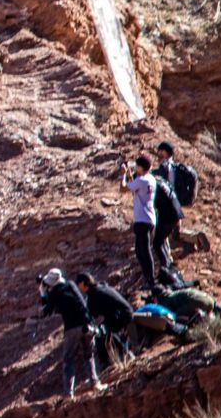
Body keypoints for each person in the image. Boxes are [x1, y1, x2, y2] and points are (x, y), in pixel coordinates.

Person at [39, 268, 104, 397]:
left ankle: (69, 393)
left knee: (68, 360)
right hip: (87, 324)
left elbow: (46, 311)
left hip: (71, 328)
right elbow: (79, 303)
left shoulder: (54, 293)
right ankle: (95, 383)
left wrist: (43, 293)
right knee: (89, 355)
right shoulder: (71, 285)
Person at [76, 271, 133, 369]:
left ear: (82, 283)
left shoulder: (93, 294)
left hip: (123, 315)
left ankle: (122, 356)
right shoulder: (101, 286)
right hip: (125, 312)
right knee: (102, 329)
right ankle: (114, 358)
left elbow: (93, 315)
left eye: (78, 284)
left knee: (100, 332)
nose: (78, 287)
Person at [121, 154, 159, 291]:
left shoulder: (141, 180)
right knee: (140, 250)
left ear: (140, 167)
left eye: (136, 165)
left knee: (144, 250)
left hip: (142, 219)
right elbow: (135, 190)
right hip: (149, 218)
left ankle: (150, 280)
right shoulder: (150, 179)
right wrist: (130, 175)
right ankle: (148, 278)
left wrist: (123, 175)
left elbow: (123, 188)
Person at [152, 140, 186, 256]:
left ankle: (167, 258)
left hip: (166, 206)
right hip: (175, 204)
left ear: (167, 153)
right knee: (171, 232)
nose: (158, 153)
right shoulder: (175, 167)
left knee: (161, 234)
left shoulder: (164, 168)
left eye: (161, 151)